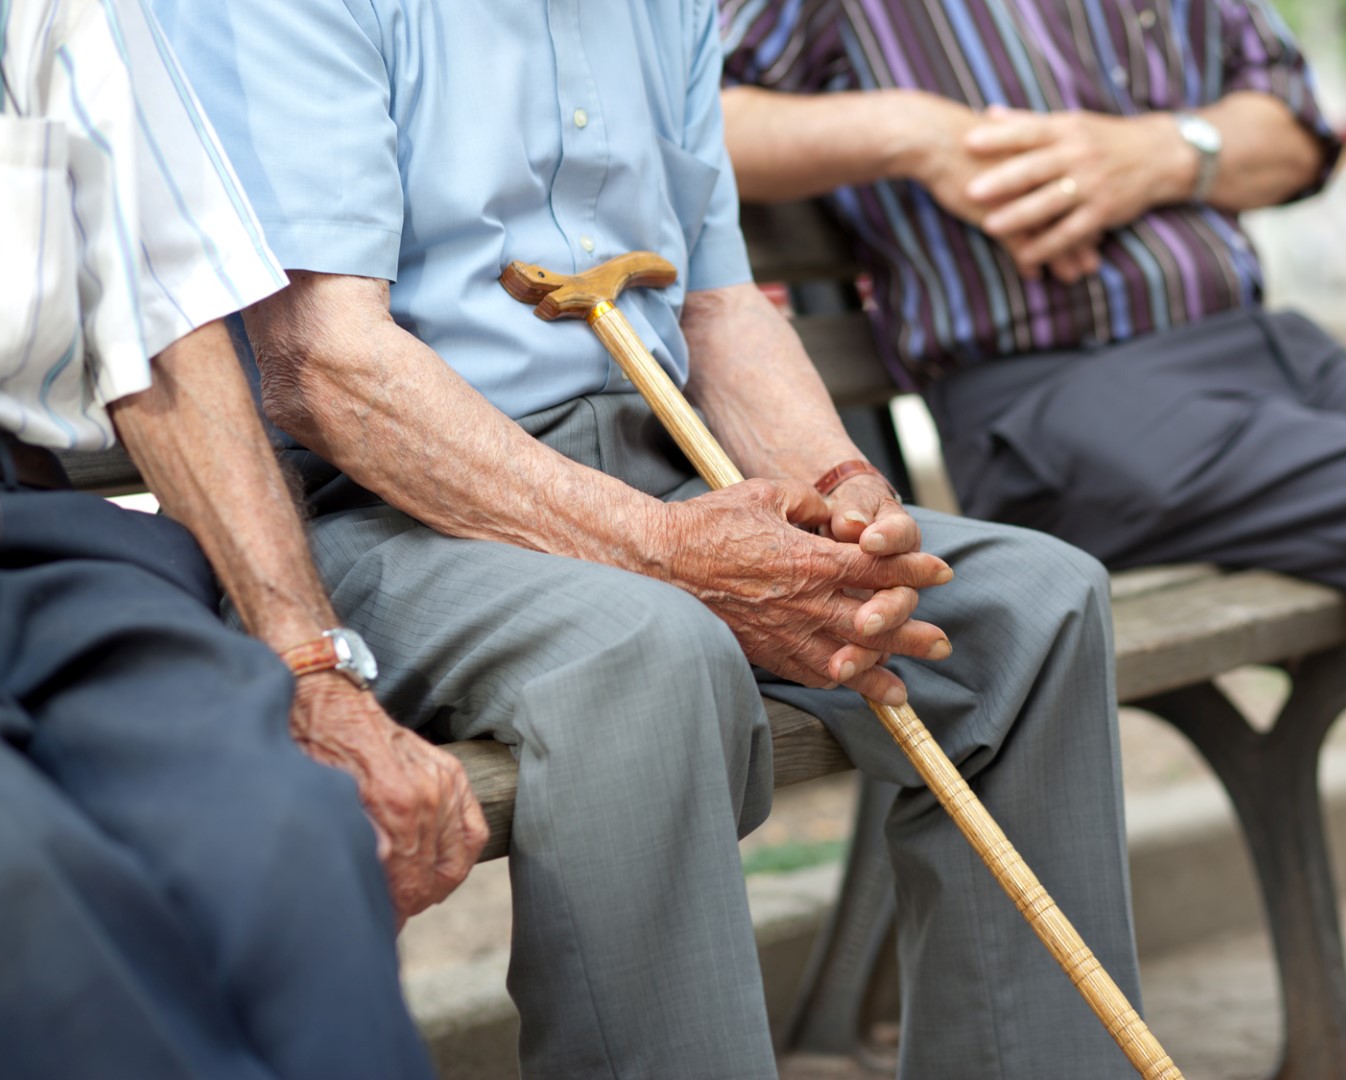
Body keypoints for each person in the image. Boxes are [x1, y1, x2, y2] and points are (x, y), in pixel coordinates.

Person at [150, 0, 1151, 1076]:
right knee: (646, 651)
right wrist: (667, 554)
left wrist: (844, 496)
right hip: (383, 508)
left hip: (659, 475)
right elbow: (327, 366)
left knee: (1028, 606)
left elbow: (720, 308)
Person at [716, 0, 1346, 1073]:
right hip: (1061, 400)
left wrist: (1169, 150)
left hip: (1269, 352)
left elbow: (1293, 131)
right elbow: (686, 115)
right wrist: (912, 131)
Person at [0, 1, 487, 1075]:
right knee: (12, 875)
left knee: (285, 838)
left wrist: (312, 666)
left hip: (32, 538)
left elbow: (166, 309)